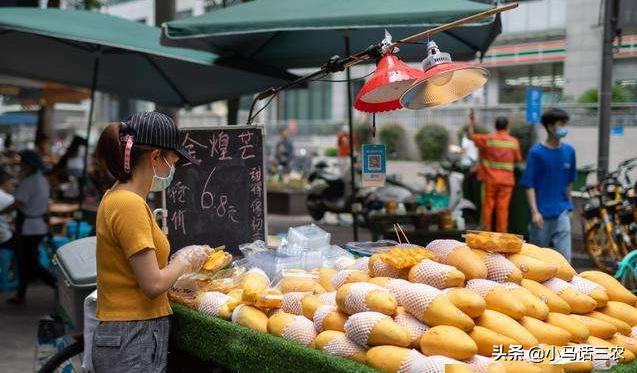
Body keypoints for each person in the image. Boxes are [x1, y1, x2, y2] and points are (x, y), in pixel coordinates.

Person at [91, 112, 213, 373]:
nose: (173, 170)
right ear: (156, 156)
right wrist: (184, 261)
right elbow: (152, 284)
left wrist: (181, 272)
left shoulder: (118, 196)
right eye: (174, 161)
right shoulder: (128, 204)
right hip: (131, 336)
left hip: (128, 334)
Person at [520, 108, 575, 262]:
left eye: (565, 124)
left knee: (565, 260)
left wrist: (570, 207)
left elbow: (568, 182)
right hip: (541, 215)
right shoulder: (536, 153)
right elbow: (529, 184)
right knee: (538, 260)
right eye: (561, 124)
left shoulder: (569, 152)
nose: (564, 128)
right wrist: (535, 212)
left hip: (561, 211)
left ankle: (565, 285)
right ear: (550, 127)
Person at [5, 150, 55, 305]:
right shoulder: (41, 179)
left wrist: (2, 212)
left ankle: (56, 284)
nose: (20, 165)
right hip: (37, 225)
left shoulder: (29, 181)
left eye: (22, 162)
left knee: (29, 262)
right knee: (26, 261)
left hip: (28, 227)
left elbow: (18, 203)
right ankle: (22, 293)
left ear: (29, 164)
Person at [469, 112, 522, 232]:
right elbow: (518, 159)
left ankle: (485, 233)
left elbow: (471, 136)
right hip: (507, 182)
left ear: (495, 126)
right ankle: (502, 234)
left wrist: (472, 122)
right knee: (502, 209)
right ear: (507, 127)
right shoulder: (513, 142)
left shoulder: (488, 139)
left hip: (490, 180)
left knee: (488, 207)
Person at [0, 169, 15, 250]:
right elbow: (14, 221)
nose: (12, 186)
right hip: (4, 238)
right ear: (5, 182)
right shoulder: (9, 199)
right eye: (11, 183)